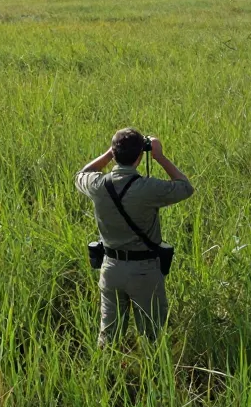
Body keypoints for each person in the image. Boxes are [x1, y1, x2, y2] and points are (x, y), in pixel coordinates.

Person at [75, 128, 194, 345]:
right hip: (144, 271)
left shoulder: (98, 185)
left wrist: (109, 153)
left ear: (114, 153)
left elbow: (81, 174)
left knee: (108, 338)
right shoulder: (148, 188)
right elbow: (185, 187)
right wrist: (159, 156)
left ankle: (106, 373)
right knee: (152, 337)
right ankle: (153, 373)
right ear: (140, 156)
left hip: (110, 269)